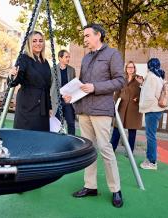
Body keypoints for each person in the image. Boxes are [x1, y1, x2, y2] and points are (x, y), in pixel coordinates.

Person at [63, 23, 125, 208]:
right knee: (88, 150)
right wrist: (71, 95)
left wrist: (95, 87)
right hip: (84, 110)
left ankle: (116, 190)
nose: (85, 39)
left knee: (105, 149)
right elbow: (82, 84)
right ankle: (90, 186)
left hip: (101, 110)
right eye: (84, 36)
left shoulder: (112, 54)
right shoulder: (86, 58)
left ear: (98, 35)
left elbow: (120, 81)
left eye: (87, 35)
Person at [10, 31, 52, 132]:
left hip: (43, 106)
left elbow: (47, 87)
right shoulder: (24, 58)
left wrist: (49, 106)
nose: (38, 43)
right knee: (27, 135)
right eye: (34, 41)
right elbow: (16, 80)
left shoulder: (45, 62)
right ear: (29, 43)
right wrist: (13, 75)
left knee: (41, 135)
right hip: (27, 105)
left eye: (40, 41)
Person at [111, 61, 143, 153]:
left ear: (134, 68)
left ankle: (130, 151)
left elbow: (144, 92)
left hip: (134, 109)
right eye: (129, 67)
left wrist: (138, 98)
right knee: (117, 128)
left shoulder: (139, 79)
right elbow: (117, 93)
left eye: (132, 67)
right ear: (126, 69)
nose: (130, 69)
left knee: (132, 132)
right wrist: (115, 104)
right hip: (121, 108)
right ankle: (112, 148)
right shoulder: (122, 79)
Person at [139, 58, 165, 170]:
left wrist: (142, 107)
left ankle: (152, 161)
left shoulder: (151, 77)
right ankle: (150, 159)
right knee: (151, 135)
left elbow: (149, 96)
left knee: (150, 136)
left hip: (152, 110)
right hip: (157, 110)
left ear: (148, 66)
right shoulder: (158, 76)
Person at [50, 50, 76, 135]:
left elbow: (74, 85)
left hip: (68, 102)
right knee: (56, 125)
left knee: (71, 123)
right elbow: (49, 86)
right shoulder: (52, 70)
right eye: (66, 57)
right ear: (60, 58)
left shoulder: (72, 70)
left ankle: (72, 141)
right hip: (56, 102)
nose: (68, 59)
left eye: (69, 57)